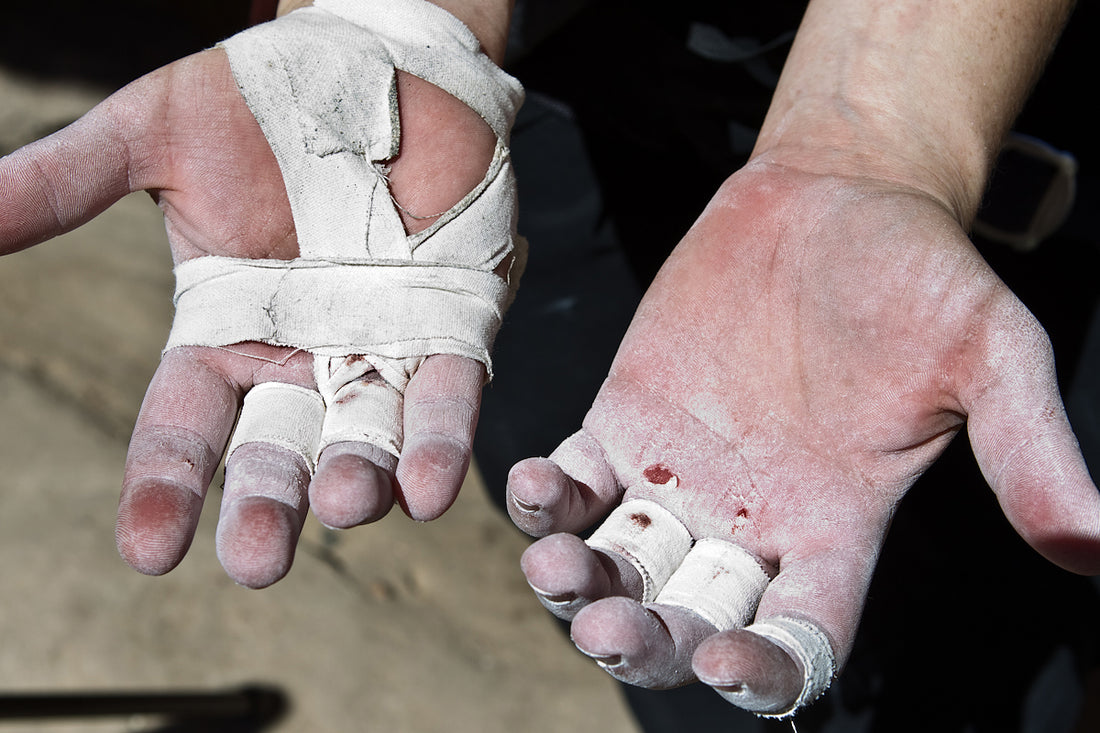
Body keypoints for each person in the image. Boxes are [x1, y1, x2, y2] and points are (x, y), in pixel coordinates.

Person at [1, 0, 1097, 724]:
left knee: (1009, 663)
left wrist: (872, 140)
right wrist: (400, 22)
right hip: (553, 106)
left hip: (983, 85)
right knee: (677, 631)